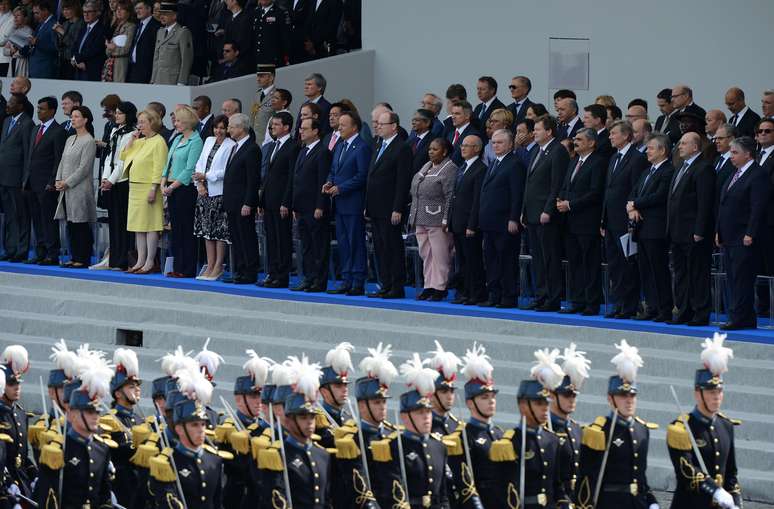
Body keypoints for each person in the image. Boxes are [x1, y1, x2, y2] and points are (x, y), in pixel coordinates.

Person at [578, 341, 658, 509]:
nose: (628, 401)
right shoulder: (598, 432)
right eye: (622, 396)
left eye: (632, 396)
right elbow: (587, 477)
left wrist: (651, 501)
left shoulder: (642, 429)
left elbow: (640, 475)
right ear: (610, 399)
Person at [667, 334, 742, 509]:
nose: (716, 397)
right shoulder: (682, 428)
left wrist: (736, 502)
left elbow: (731, 474)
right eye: (710, 392)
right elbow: (686, 472)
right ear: (697, 393)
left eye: (719, 392)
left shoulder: (726, 425)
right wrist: (715, 490)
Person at [490, 350, 572, 508]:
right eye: (538, 403)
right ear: (522, 405)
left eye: (546, 403)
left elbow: (557, 484)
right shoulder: (509, 443)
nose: (544, 409)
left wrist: (564, 503)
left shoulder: (553, 440)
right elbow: (501, 491)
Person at [369, 354, 452, 509]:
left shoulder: (439, 447)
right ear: (405, 417)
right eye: (420, 413)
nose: (427, 418)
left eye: (428, 412)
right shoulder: (393, 448)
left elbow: (443, 496)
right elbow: (392, 496)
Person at [33, 353, 113, 508]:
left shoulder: (101, 448)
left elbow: (104, 496)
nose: (95, 416)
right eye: (89, 412)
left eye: (97, 412)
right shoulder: (58, 451)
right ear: (73, 414)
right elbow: (47, 498)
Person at [148, 365, 224, 508]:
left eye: (203, 424)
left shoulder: (214, 459)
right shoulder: (168, 463)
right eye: (194, 425)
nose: (201, 430)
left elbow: (217, 502)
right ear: (179, 429)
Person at [716, 136, 769, 330]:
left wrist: (751, 233)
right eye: (731, 152)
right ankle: (740, 315)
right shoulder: (735, 173)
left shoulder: (757, 174)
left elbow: (758, 207)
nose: (731, 156)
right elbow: (724, 204)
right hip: (730, 236)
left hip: (744, 236)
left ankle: (741, 317)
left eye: (735, 152)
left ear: (748, 154)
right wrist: (719, 231)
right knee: (733, 277)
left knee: (742, 278)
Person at [666, 132, 715, 326]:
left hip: (693, 232)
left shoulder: (704, 169)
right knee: (681, 274)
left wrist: (700, 230)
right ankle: (684, 310)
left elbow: (705, 203)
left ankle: (700, 312)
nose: (679, 146)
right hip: (677, 232)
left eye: (684, 144)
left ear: (695, 147)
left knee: (697, 273)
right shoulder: (681, 167)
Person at [601, 120, 648, 318]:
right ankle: (618, 303)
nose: (610, 136)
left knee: (627, 264)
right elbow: (608, 190)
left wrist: (632, 212)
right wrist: (602, 219)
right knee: (614, 265)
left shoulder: (637, 158)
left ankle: (629, 306)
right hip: (610, 220)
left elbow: (635, 189)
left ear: (626, 136)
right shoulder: (613, 158)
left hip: (625, 220)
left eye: (614, 133)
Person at [522, 115, 569, 312]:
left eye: (538, 129)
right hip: (532, 213)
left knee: (549, 257)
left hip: (545, 214)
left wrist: (548, 210)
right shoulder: (537, 151)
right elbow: (529, 184)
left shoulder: (557, 151)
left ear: (549, 131)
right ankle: (541, 295)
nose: (534, 132)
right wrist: (523, 211)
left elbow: (556, 184)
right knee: (538, 258)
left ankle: (553, 297)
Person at [557, 128, 606, 315]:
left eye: (579, 139)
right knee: (574, 263)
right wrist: (560, 199)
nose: (575, 142)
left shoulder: (598, 162)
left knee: (589, 263)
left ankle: (591, 303)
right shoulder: (574, 161)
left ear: (592, 142)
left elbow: (595, 193)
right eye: (575, 139)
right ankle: (577, 301)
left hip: (587, 222)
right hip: (569, 222)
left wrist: (570, 204)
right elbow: (565, 185)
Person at [628, 133, 675, 322]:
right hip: (642, 228)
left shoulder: (668, 170)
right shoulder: (647, 171)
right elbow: (633, 191)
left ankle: (665, 308)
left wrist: (635, 204)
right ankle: (652, 307)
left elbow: (659, 196)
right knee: (646, 271)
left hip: (656, 228)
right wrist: (632, 206)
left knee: (659, 271)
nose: (647, 151)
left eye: (651, 148)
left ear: (662, 150)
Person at [366, 110, 412, 299]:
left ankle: (396, 285)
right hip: (376, 206)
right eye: (377, 124)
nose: (377, 126)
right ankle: (384, 283)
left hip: (390, 207)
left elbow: (402, 181)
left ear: (393, 126)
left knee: (392, 246)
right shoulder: (378, 145)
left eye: (382, 124)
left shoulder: (402, 148)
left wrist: (397, 208)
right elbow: (372, 176)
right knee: (380, 247)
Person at [324, 111, 371, 295]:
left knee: (355, 242)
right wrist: (329, 182)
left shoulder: (361, 147)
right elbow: (333, 170)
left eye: (343, 125)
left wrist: (341, 188)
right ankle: (346, 278)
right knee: (343, 242)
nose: (339, 128)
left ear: (354, 127)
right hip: (339, 204)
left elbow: (361, 175)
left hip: (353, 203)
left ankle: (358, 280)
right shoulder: (340, 146)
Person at [478, 129, 525, 308]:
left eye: (500, 142)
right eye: (494, 143)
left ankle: (508, 296)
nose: (496, 146)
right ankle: (494, 294)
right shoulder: (494, 163)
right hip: (489, 222)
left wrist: (513, 218)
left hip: (505, 222)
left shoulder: (514, 164)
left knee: (506, 260)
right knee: (491, 260)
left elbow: (516, 194)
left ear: (510, 144)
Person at [408, 137, 456, 302]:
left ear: (445, 151)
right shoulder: (426, 166)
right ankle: (429, 285)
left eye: (435, 149)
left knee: (440, 255)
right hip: (420, 217)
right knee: (426, 254)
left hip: (437, 219)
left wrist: (446, 219)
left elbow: (450, 196)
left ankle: (440, 287)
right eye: (430, 149)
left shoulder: (449, 168)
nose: (430, 152)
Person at [120, 108, 168, 274]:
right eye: (138, 122)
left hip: (149, 187)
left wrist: (154, 188)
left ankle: (149, 262)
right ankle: (140, 261)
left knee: (151, 227)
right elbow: (123, 157)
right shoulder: (140, 141)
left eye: (142, 122)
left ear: (152, 123)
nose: (139, 125)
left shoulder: (159, 141)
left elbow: (159, 167)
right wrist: (131, 140)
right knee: (138, 227)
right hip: (135, 187)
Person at [21, 96, 65, 265]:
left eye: (42, 108)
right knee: (37, 220)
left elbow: (58, 158)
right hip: (31, 183)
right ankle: (40, 252)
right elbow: (29, 157)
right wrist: (25, 180)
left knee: (48, 220)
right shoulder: (35, 129)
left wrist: (53, 181)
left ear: (52, 111)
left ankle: (52, 254)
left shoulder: (58, 131)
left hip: (47, 184)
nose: (39, 111)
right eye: (38, 108)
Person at [161, 105, 204, 278]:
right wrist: (163, 182)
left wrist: (171, 187)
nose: (176, 123)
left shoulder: (196, 141)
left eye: (178, 120)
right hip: (171, 187)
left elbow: (189, 169)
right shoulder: (178, 139)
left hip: (184, 189)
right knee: (176, 229)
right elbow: (167, 162)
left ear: (187, 122)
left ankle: (187, 268)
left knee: (186, 229)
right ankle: (177, 265)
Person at [257, 111, 298, 287]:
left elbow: (291, 177)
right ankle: (272, 273)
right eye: (272, 124)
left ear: (286, 127)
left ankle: (282, 276)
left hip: (281, 201)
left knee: (282, 239)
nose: (272, 127)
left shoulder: (292, 146)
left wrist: (286, 202)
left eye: (276, 124)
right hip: (269, 200)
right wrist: (262, 200)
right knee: (271, 239)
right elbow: (268, 175)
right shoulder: (274, 145)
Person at [291, 116, 331, 292]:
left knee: (318, 246)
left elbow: (322, 180)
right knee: (306, 245)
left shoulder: (322, 152)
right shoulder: (303, 151)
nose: (301, 131)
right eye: (300, 128)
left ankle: (319, 280)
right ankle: (308, 277)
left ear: (315, 131)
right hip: (302, 207)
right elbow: (297, 180)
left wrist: (320, 206)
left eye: (305, 128)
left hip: (314, 208)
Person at [54, 105, 96, 268]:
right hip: (65, 189)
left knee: (80, 223)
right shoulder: (70, 139)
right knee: (70, 223)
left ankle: (82, 258)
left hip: (79, 189)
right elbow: (62, 161)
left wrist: (67, 182)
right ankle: (74, 255)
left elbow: (84, 168)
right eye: (72, 116)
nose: (73, 119)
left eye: (77, 116)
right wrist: (58, 180)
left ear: (85, 120)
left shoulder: (89, 141)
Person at [193, 114, 234, 281]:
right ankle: (209, 265)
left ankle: (218, 266)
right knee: (206, 232)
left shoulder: (231, 145)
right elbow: (200, 163)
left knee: (219, 232)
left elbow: (226, 170)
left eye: (222, 128)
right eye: (216, 127)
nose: (219, 131)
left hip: (219, 193)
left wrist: (207, 176)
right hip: (203, 192)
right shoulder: (209, 140)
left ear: (227, 129)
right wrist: (200, 184)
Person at [550, 344, 590, 504]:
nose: (572, 399)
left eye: (574, 395)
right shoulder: (546, 430)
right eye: (567, 395)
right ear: (553, 395)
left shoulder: (576, 430)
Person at [223, 113, 261, 284]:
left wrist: (248, 202)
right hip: (232, 201)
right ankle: (239, 269)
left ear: (241, 128)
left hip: (243, 202)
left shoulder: (252, 149)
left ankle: (249, 271)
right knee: (236, 237)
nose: (228, 129)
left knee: (246, 237)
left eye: (231, 126)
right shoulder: (235, 147)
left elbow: (253, 180)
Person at [449, 135, 487, 305]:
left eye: (467, 145)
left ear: (477, 149)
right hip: (457, 222)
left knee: (473, 260)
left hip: (469, 224)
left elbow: (477, 199)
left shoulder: (480, 169)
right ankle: (464, 291)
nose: (462, 148)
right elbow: (455, 196)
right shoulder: (462, 167)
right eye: (462, 145)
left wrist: (472, 224)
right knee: (462, 260)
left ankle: (476, 293)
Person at [99, 101, 136, 270]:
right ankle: (114, 258)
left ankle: (123, 259)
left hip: (122, 181)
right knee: (113, 220)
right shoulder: (115, 130)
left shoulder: (132, 134)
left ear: (128, 115)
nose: (117, 115)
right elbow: (109, 157)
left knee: (122, 221)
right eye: (117, 112)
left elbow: (123, 161)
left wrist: (111, 180)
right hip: (111, 181)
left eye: (120, 113)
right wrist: (105, 178)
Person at [105, 348, 142, 507]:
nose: (137, 389)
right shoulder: (109, 420)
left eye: (137, 385)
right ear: (118, 393)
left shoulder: (141, 421)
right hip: (120, 488)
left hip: (139, 489)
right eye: (131, 386)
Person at [0, 345, 35, 499]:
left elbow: (23, 454)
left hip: (23, 483)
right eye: (11, 384)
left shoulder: (21, 413)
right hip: (6, 486)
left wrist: (35, 475)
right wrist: (9, 482)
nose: (17, 387)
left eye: (18, 383)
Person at [0, 93, 31, 263]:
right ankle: (9, 248)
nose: (7, 105)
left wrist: (25, 179)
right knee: (9, 216)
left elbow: (28, 154)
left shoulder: (27, 123)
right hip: (3, 177)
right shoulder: (6, 121)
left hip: (17, 179)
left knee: (21, 215)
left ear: (20, 106)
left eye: (11, 103)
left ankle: (21, 249)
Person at [150, 0, 192, 85]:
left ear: (174, 16)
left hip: (173, 80)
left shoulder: (182, 32)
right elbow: (156, 57)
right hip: (158, 79)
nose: (162, 16)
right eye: (161, 14)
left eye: (165, 14)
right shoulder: (160, 32)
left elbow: (186, 59)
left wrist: (181, 81)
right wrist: (153, 79)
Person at [756, 118, 774, 316]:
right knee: (758, 265)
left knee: (770, 265)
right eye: (760, 131)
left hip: (769, 220)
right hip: (754, 221)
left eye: (767, 131)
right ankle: (762, 307)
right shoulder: (754, 155)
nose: (763, 134)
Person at [126, 0, 160, 83]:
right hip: (132, 69)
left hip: (146, 72)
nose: (137, 11)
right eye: (136, 8)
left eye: (140, 8)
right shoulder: (137, 26)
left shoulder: (157, 27)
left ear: (149, 9)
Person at [71, 1, 106, 80]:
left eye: (89, 12)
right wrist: (74, 59)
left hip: (90, 70)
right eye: (84, 12)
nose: (86, 14)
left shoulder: (102, 29)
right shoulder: (83, 28)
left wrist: (77, 59)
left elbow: (95, 50)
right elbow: (75, 45)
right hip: (78, 68)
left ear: (97, 13)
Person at [102, 0, 135, 82]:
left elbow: (126, 49)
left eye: (122, 9)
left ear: (128, 12)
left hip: (121, 64)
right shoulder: (117, 27)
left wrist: (112, 48)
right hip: (111, 64)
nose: (118, 11)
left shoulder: (131, 27)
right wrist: (109, 48)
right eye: (117, 9)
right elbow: (107, 51)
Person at [253, 0, 290, 68]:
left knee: (272, 78)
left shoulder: (280, 12)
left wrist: (286, 55)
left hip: (274, 58)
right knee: (262, 78)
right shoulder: (255, 12)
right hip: (258, 58)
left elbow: (285, 37)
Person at [26, 0, 58, 78]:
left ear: (46, 11)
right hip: (35, 67)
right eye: (34, 13)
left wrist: (36, 42)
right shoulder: (41, 24)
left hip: (45, 69)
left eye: (37, 13)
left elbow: (55, 47)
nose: (35, 15)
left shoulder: (54, 24)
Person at [295, 72, 331, 137]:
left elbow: (325, 130)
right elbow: (298, 128)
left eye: (309, 84)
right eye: (305, 84)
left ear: (319, 87)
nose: (306, 87)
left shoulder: (327, 107)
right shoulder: (304, 105)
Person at [446, 100, 481, 166]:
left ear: (467, 116)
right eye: (452, 113)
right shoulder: (450, 134)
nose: (453, 117)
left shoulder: (473, 135)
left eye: (457, 114)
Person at [250, 63, 275, 143]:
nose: (258, 79)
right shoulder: (257, 95)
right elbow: (253, 118)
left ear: (271, 77)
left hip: (268, 141)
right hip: (255, 140)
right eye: (257, 76)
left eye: (261, 76)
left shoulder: (277, 95)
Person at [5, 7, 32, 76]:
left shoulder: (28, 31)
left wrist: (14, 51)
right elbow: (5, 51)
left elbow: (25, 51)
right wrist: (11, 51)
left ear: (25, 17)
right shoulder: (13, 31)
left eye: (18, 15)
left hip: (22, 63)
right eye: (14, 16)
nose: (15, 18)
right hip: (12, 61)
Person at [408, 108, 433, 173]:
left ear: (427, 123)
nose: (413, 122)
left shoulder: (433, 141)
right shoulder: (410, 141)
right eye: (413, 120)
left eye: (416, 120)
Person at [0, 0, 14, 77]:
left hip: (4, 58)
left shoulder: (12, 18)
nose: (3, 6)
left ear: (10, 5)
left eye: (5, 4)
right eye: (1, 4)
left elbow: (3, 40)